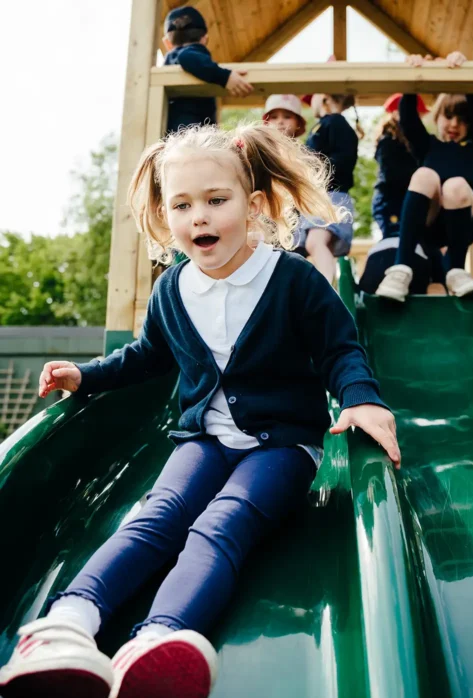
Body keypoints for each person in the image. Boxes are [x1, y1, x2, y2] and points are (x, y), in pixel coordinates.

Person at [0, 123, 400, 698]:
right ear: (167, 215)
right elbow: (146, 356)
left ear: (254, 205)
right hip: (204, 439)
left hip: (284, 444)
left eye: (217, 200)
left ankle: (160, 638)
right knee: (157, 516)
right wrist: (85, 375)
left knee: (222, 522)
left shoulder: (293, 282)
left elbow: (341, 350)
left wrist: (362, 399)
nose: (200, 218)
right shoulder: (173, 289)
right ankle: (66, 626)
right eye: (183, 205)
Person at [376, 51, 473, 302]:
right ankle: (400, 269)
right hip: (429, 219)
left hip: (463, 215)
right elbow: (407, 118)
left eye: (463, 119)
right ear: (436, 117)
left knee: (455, 184)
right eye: (448, 116)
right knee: (425, 175)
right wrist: (415, 76)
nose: (454, 124)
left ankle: (456, 270)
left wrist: (462, 70)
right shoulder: (427, 146)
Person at [371, 93, 446, 295]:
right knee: (398, 237)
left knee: (422, 238)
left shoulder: (412, 144)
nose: (418, 119)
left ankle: (437, 280)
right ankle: (393, 277)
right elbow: (392, 175)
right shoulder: (389, 141)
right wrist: (421, 181)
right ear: (396, 113)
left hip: (407, 200)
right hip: (391, 202)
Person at [296, 93, 361, 283]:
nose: (311, 105)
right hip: (322, 196)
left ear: (324, 98)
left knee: (315, 242)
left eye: (312, 99)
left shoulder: (333, 123)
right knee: (315, 245)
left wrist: (307, 170)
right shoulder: (331, 125)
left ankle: (326, 288)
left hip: (329, 195)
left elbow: (341, 161)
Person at [162, 6, 253, 132]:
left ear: (167, 43)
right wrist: (225, 76)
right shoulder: (192, 52)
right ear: (205, 39)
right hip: (192, 130)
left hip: (176, 130)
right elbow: (186, 57)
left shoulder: (170, 60)